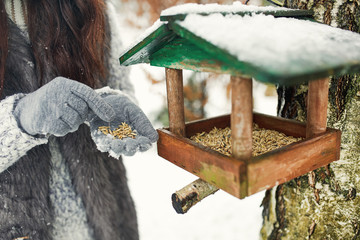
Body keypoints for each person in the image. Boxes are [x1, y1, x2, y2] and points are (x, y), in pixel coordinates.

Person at [0, 0, 158, 239]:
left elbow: (120, 85)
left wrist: (108, 104)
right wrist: (20, 117)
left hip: (108, 223)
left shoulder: (91, 7)